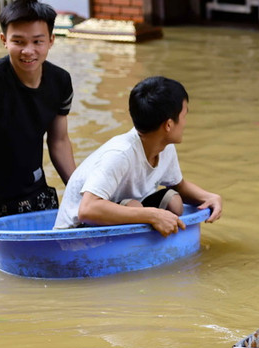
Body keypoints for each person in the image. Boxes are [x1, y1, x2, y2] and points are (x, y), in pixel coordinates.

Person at [0, 0, 76, 239]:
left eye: (37, 41)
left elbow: (59, 142)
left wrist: (81, 193)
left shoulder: (60, 81)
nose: (28, 51)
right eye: (18, 42)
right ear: (4, 40)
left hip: (35, 192)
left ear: (51, 41)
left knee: (48, 256)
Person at [53, 76, 222, 235]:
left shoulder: (164, 146)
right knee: (135, 206)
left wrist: (209, 197)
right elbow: (87, 210)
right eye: (184, 116)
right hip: (75, 232)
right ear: (169, 125)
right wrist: (152, 215)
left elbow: (179, 186)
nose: (185, 122)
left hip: (116, 213)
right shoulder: (120, 154)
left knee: (174, 201)